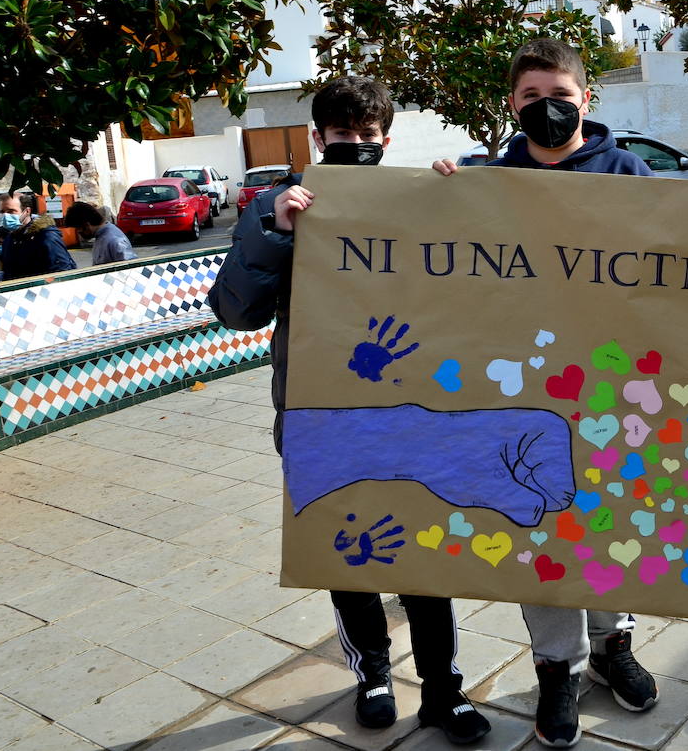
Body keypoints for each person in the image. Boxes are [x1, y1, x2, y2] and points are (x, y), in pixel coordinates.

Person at [207, 76, 490, 745]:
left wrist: (458, 196)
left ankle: (444, 693)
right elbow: (232, 311)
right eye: (343, 136)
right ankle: (372, 675)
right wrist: (275, 231)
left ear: (386, 142)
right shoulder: (278, 209)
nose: (356, 146)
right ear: (319, 139)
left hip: (409, 418)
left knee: (426, 555)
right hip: (320, 419)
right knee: (350, 554)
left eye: (368, 137)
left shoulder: (415, 204)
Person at [432, 38, 658, 749]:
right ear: (512, 105)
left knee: (611, 514)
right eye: (532, 98)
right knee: (542, 523)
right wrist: (433, 198)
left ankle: (613, 645)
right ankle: (556, 665)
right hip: (524, 388)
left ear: (586, 98)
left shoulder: (630, 171)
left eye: (560, 95)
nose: (547, 109)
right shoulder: (489, 183)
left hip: (613, 383)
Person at [0, 192, 77, 280]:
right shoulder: (10, 239)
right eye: (2, 212)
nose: (5, 216)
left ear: (27, 211)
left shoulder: (46, 237)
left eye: (11, 211)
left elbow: (62, 273)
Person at [63, 202, 137, 266]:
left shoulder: (115, 240)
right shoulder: (100, 237)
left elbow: (130, 268)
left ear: (87, 225)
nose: (78, 232)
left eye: (78, 228)